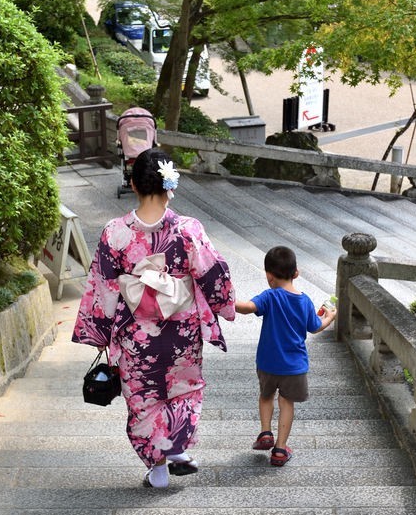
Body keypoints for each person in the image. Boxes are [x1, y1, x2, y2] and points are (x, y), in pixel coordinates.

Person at [72, 147, 235, 489]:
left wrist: (99, 332)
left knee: (144, 399)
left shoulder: (115, 232)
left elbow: (103, 288)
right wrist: (224, 303)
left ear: (132, 185)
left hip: (136, 337)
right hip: (181, 331)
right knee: (183, 389)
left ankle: (158, 470)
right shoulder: (188, 229)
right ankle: (176, 448)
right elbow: (213, 274)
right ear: (169, 186)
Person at [235, 245, 337, 467]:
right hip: (294, 366)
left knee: (266, 396)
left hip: (267, 363)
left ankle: (265, 432)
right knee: (286, 402)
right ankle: (280, 449)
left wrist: (226, 303)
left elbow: (248, 307)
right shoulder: (305, 301)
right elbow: (315, 327)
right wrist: (329, 317)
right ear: (296, 273)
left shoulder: (270, 297)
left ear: (269, 276)